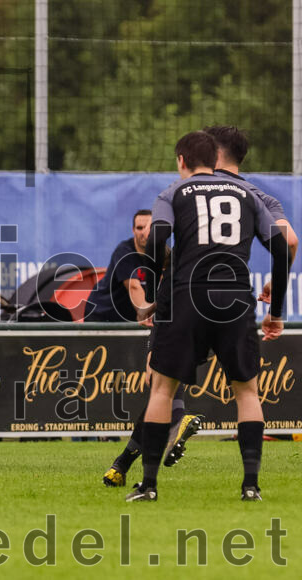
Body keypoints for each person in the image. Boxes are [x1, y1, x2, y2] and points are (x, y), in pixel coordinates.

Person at [104, 126, 299, 487]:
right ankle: (250, 486)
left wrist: (152, 297)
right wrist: (277, 297)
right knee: (246, 391)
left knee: (160, 384)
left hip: (184, 295)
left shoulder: (177, 190)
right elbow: (287, 242)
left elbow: (158, 238)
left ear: (204, 156)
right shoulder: (257, 196)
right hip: (234, 296)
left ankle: (144, 478)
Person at [84, 210, 158, 323]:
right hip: (101, 316)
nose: (144, 232)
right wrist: (146, 314)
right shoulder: (124, 252)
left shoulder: (161, 253)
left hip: (127, 317)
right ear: (133, 230)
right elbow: (133, 287)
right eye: (139, 228)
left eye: (149, 228)